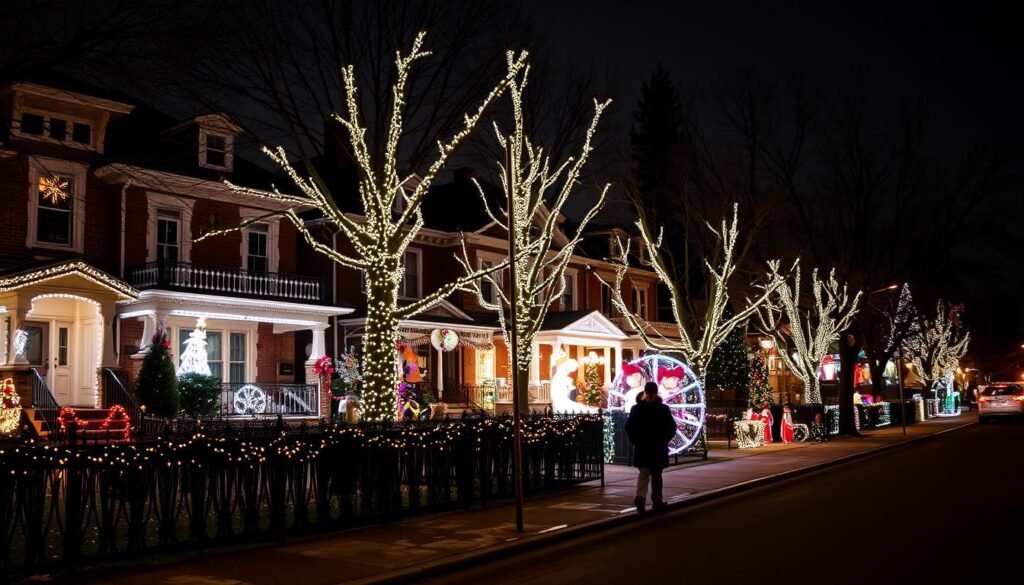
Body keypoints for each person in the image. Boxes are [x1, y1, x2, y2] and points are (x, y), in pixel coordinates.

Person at [625, 382, 677, 515]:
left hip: (643, 446)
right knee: (656, 475)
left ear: (645, 392)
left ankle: (641, 497)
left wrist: (636, 441)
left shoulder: (636, 409)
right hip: (658, 446)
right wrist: (664, 440)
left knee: (644, 473)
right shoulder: (663, 409)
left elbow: (629, 427)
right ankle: (657, 501)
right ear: (656, 393)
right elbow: (672, 427)